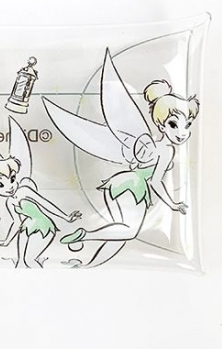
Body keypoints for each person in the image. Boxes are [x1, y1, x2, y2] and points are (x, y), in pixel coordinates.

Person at [60, 79, 200, 268]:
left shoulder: (152, 143)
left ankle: (88, 265)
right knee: (129, 231)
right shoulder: (166, 150)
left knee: (122, 233)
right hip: (132, 187)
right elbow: (156, 181)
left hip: (124, 183)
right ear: (161, 125)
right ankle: (85, 235)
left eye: (187, 125)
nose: (182, 133)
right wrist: (173, 204)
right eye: (174, 125)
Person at [0, 151, 81, 268]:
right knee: (21, 262)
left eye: (12, 179)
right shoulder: (10, 202)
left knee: (29, 260)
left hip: (42, 225)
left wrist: (66, 217)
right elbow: (16, 222)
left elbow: (45, 204)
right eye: (0, 185)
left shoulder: (24, 191)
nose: (9, 187)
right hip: (26, 227)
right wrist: (6, 241)